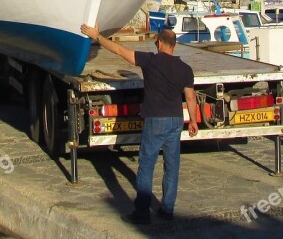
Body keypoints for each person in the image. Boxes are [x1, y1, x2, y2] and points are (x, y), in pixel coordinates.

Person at [81, 24, 198, 224]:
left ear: (159, 43)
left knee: (146, 165)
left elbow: (119, 50)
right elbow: (191, 97)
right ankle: (167, 209)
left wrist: (97, 36)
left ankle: (142, 213)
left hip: (155, 120)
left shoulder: (150, 61)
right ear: (175, 46)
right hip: (176, 120)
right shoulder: (185, 69)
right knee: (172, 166)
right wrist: (194, 120)